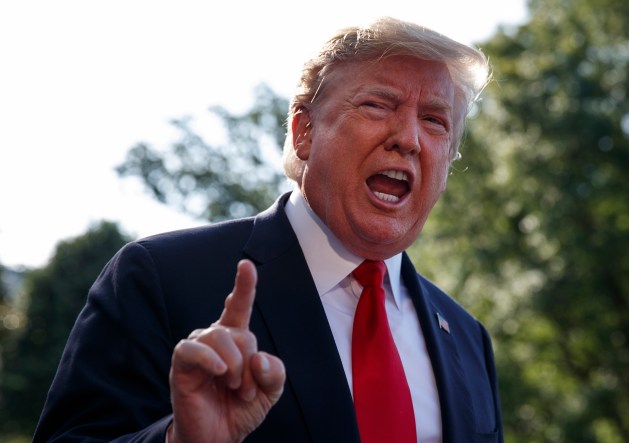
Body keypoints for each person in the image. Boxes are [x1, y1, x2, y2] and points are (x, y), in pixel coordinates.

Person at [34, 16, 502, 443]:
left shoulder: (467, 337)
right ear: (304, 131)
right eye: (379, 105)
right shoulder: (159, 278)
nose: (409, 139)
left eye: (435, 121)